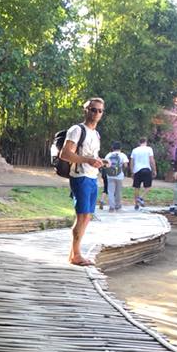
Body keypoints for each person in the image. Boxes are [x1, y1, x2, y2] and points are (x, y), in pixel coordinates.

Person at [59, 97, 105, 266]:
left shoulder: (96, 134)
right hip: (80, 177)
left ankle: (74, 253)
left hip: (93, 177)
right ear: (86, 110)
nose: (96, 113)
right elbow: (65, 154)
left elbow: (91, 156)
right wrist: (87, 160)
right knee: (82, 216)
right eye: (93, 109)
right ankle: (76, 255)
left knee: (87, 217)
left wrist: (99, 161)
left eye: (100, 111)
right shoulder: (77, 130)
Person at [130, 137, 156, 209]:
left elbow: (132, 161)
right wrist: (154, 170)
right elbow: (151, 160)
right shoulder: (149, 149)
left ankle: (136, 204)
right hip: (146, 169)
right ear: (146, 142)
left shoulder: (134, 150)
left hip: (137, 170)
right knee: (148, 187)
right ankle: (141, 197)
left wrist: (132, 171)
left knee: (136, 187)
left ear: (139, 142)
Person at [103, 141, 127, 211]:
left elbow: (105, 164)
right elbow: (125, 165)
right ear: (120, 148)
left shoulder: (108, 155)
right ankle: (118, 205)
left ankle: (111, 206)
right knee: (118, 191)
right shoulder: (122, 155)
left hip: (110, 175)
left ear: (112, 148)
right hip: (119, 175)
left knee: (110, 191)